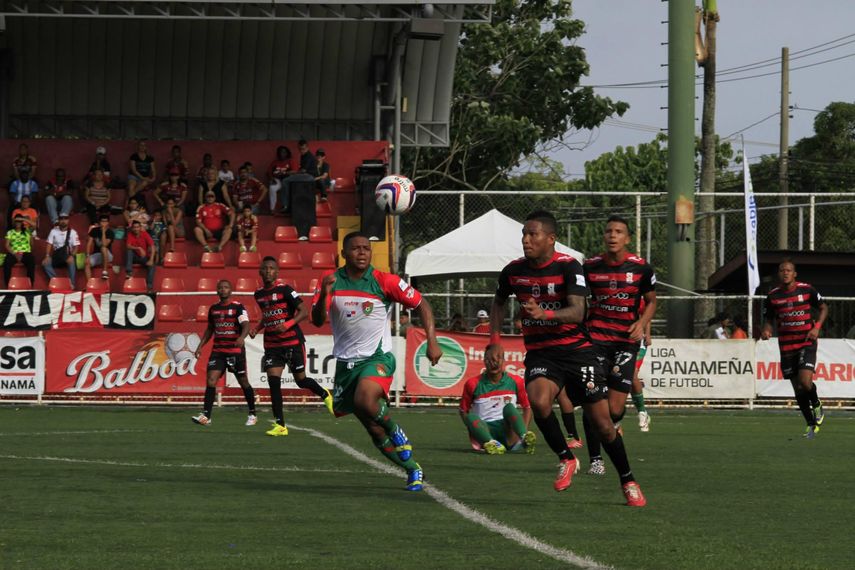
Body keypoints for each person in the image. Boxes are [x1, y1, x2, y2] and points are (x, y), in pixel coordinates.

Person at [486, 210, 645, 506]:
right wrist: (495, 340)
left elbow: (579, 311)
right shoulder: (513, 271)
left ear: (551, 238)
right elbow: (497, 302)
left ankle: (628, 479)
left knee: (604, 424)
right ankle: (566, 457)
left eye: (533, 234)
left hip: (576, 351)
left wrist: (545, 314)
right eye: (524, 234)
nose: (526, 239)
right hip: (542, 352)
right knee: (539, 400)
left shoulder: (568, 266)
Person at [311, 231, 443, 491]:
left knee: (365, 400)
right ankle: (413, 469)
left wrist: (432, 340)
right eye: (356, 248)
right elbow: (316, 320)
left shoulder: (385, 281)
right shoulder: (330, 281)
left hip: (377, 357)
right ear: (344, 253)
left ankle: (396, 429)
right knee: (373, 429)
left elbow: (422, 305)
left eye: (366, 248)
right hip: (346, 365)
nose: (362, 252)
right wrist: (325, 294)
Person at [577, 215, 656, 478]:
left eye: (618, 231)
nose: (612, 235)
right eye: (608, 230)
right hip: (595, 341)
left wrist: (642, 323)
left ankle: (615, 423)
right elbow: (578, 299)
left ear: (628, 238)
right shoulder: (589, 267)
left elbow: (652, 301)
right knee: (592, 400)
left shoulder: (642, 269)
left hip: (625, 342)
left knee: (613, 409)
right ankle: (596, 459)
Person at [250, 257, 334, 435]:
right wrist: (257, 328)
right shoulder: (258, 294)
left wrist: (287, 325)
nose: (267, 271)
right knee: (273, 383)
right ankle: (280, 425)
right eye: (264, 268)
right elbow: (267, 315)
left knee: (301, 381)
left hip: (292, 341)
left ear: (277, 272)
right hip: (272, 344)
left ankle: (324, 393)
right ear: (260, 271)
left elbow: (304, 311)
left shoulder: (286, 290)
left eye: (271, 268)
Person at [761, 259, 828, 439]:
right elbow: (768, 319)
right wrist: (767, 329)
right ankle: (811, 425)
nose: (785, 273)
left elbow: (823, 307)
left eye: (789, 270)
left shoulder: (807, 290)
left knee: (805, 382)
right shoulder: (773, 296)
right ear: (779, 274)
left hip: (806, 341)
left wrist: (816, 327)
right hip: (786, 345)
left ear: (794, 274)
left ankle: (817, 404)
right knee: (797, 389)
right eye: (782, 270)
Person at [192, 279, 258, 426]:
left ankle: (252, 413)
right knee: (211, 379)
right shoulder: (213, 309)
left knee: (243, 381)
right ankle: (206, 416)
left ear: (231, 290)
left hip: (235, 351)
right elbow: (210, 329)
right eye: (220, 287)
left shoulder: (238, 308)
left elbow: (246, 325)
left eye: (226, 287)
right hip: (218, 351)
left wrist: (241, 337)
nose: (223, 289)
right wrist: (200, 346)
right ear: (217, 291)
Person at [459, 346, 536, 455]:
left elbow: (527, 407)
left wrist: (522, 429)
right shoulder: (472, 383)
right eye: (489, 359)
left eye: (498, 358)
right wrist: (474, 430)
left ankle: (524, 438)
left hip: (508, 431)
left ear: (504, 360)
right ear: (484, 361)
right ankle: (491, 443)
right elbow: (463, 410)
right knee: (470, 416)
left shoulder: (516, 381)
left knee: (509, 407)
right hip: (485, 430)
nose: (493, 363)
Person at [42, 213, 80, 286]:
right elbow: (49, 244)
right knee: (45, 263)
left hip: (68, 256)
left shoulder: (73, 232)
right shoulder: (53, 231)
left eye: (65, 218)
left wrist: (72, 255)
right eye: (61, 219)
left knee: (71, 261)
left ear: (68, 220)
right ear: (59, 220)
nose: (63, 221)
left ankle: (71, 284)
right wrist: (47, 256)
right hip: (57, 256)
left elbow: (76, 247)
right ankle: (57, 281)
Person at [631, 320, 653, 432]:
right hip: (616, 339)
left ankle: (642, 412)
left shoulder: (638, 301)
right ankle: (615, 419)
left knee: (632, 374)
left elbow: (647, 316)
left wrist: (647, 334)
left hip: (638, 342)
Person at [3, 215, 36, 286]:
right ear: (14, 223)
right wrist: (15, 253)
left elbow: (34, 225)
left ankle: (30, 284)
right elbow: (7, 245)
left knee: (31, 261)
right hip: (14, 252)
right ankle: (7, 285)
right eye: (16, 221)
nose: (18, 223)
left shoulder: (27, 231)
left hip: (25, 252)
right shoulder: (10, 232)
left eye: (20, 222)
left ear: (22, 222)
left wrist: (22, 218)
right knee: (7, 262)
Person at [124, 220, 155, 292]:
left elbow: (152, 246)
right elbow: (128, 246)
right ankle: (129, 272)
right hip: (134, 257)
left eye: (137, 227)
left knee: (152, 266)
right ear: (132, 228)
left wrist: (151, 259)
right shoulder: (130, 234)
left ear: (140, 227)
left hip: (143, 257)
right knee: (129, 250)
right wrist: (138, 248)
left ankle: (149, 287)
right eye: (134, 227)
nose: (136, 229)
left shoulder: (144, 234)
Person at [84, 214, 114, 281]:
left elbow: (104, 244)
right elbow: (89, 244)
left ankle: (105, 272)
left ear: (108, 223)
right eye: (102, 221)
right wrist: (87, 256)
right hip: (97, 255)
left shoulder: (110, 232)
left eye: (105, 221)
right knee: (87, 263)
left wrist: (103, 232)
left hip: (108, 255)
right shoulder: (94, 230)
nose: (104, 223)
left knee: (103, 248)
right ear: (99, 222)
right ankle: (89, 283)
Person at [127, 140, 156, 207]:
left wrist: (153, 178)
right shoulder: (134, 156)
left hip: (145, 178)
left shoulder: (150, 158)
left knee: (144, 183)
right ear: (138, 147)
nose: (142, 147)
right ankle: (132, 202)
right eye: (141, 145)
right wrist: (142, 177)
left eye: (144, 145)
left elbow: (153, 170)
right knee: (131, 186)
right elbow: (133, 170)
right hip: (134, 176)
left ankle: (130, 199)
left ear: (146, 147)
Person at [267, 146, 293, 212]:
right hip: (277, 180)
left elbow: (295, 171)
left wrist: (285, 173)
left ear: (287, 153)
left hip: (287, 181)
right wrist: (271, 179)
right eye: (281, 152)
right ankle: (272, 209)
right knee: (272, 188)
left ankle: (286, 206)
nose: (282, 154)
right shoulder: (275, 162)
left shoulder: (290, 161)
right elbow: (269, 172)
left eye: (284, 152)